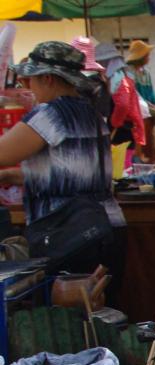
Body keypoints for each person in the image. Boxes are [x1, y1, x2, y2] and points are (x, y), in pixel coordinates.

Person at [0, 42, 122, 277]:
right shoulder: (92, 114)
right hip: (107, 230)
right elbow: (72, 174)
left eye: (30, 80)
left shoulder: (50, 115)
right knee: (101, 311)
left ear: (48, 79)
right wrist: (10, 177)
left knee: (67, 312)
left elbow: (3, 154)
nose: (26, 86)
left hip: (68, 237)